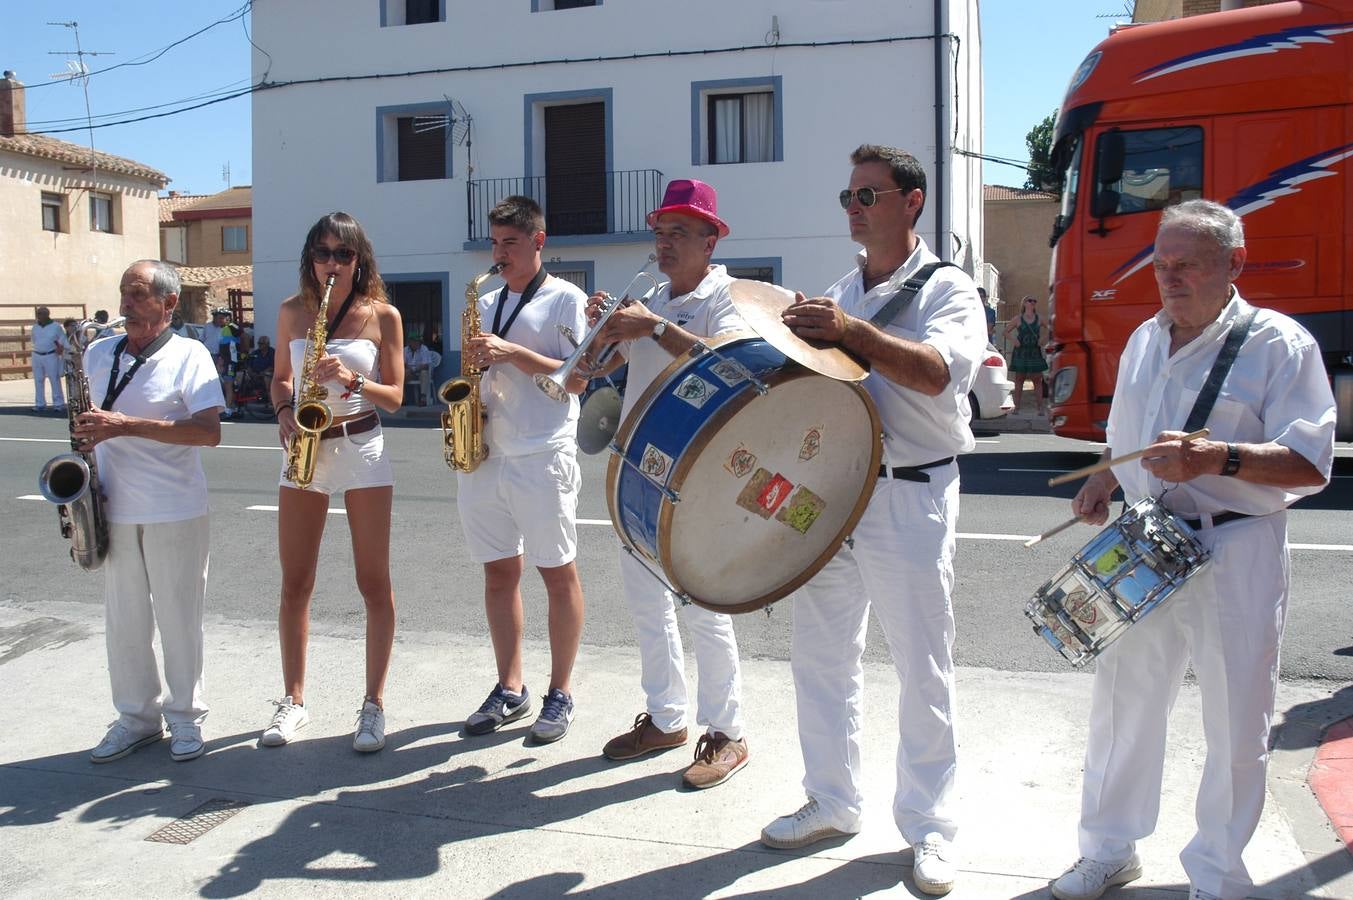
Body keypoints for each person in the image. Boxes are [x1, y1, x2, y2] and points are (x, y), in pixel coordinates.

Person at [1051, 200, 1335, 900]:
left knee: (1236, 722)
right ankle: (1108, 849)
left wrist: (1220, 459)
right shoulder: (1146, 337)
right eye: (1159, 263)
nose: (1168, 278)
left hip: (1234, 549)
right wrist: (1106, 483)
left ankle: (1216, 875)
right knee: (1121, 706)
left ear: (1234, 264)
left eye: (1187, 265)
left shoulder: (1279, 344)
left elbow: (1310, 463)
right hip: (1146, 544)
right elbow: (1128, 432)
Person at [760, 145, 987, 896]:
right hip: (835, 494)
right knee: (819, 657)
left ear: (910, 201)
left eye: (867, 195)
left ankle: (930, 828)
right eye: (847, 196)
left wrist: (848, 333)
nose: (853, 209)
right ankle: (832, 799)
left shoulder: (949, 289)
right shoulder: (839, 289)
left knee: (922, 666)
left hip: (909, 492)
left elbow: (932, 371)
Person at [583, 178, 750, 789]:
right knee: (647, 604)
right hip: (639, 468)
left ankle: (727, 732)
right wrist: (601, 333)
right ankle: (666, 717)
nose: (665, 243)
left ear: (711, 239)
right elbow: (599, 372)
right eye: (660, 232)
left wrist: (652, 328)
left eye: (680, 232)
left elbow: (727, 364)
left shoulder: (723, 297)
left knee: (704, 605)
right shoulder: (650, 294)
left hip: (701, 472)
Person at [262, 212, 405, 753]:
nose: (332, 263)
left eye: (343, 254)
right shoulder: (292, 312)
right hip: (304, 446)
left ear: (358, 259)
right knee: (295, 581)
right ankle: (293, 701)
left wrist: (351, 379)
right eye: (322, 253)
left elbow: (395, 396)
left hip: (362, 444)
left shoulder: (382, 316)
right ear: (310, 258)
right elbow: (279, 376)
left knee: (373, 581)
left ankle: (373, 706)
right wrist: (281, 410)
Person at [75, 259, 225, 764]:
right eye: (124, 293)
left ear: (168, 304)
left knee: (180, 619)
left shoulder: (190, 355)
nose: (126, 306)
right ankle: (136, 718)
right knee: (125, 623)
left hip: (174, 508)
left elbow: (208, 431)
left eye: (138, 295)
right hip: (112, 506)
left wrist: (124, 424)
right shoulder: (97, 353)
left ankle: (185, 719)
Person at [456, 195, 588, 745]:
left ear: (539, 241)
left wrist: (511, 352)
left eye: (510, 242)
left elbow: (577, 378)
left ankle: (560, 693)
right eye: (494, 242)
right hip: (487, 453)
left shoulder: (565, 299)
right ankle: (510, 687)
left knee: (557, 574)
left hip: (542, 453)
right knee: (497, 573)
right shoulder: (485, 302)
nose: (499, 252)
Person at [1003, 296, 1048, 415]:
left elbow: (1051, 329)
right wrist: (1014, 340)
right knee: (1019, 380)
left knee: (1037, 380)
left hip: (1034, 352)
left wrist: (1043, 339)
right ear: (1024, 304)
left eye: (1034, 301)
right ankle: (1016, 407)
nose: (1033, 303)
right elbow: (1005, 331)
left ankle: (1040, 408)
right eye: (1030, 301)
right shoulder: (1018, 319)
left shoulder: (1039, 319)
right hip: (1021, 352)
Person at [30, 305, 68, 412]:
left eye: (40, 314)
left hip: (51, 355)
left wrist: (60, 348)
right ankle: (40, 403)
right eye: (37, 314)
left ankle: (58, 403)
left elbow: (62, 339)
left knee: (54, 379)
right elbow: (33, 340)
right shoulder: (35, 327)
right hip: (37, 355)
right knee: (38, 380)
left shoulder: (56, 326)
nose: (38, 316)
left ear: (47, 315)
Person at [403, 333, 441, 406]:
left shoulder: (424, 349)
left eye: (418, 341)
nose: (416, 343)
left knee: (424, 373)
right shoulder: (405, 350)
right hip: (409, 372)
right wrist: (408, 368)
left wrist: (414, 369)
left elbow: (425, 365)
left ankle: (423, 398)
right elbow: (403, 363)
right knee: (401, 374)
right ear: (410, 342)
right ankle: (403, 399)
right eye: (414, 341)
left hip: (420, 371)